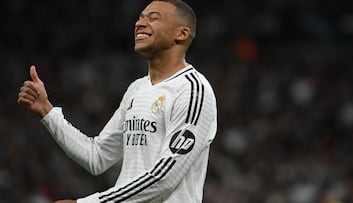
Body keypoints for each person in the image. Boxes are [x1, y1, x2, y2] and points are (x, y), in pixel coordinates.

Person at [17, 0, 217, 202]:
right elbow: (97, 157)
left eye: (153, 17)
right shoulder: (136, 89)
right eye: (140, 17)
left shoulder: (192, 89)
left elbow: (164, 178)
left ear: (181, 34)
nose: (139, 23)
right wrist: (47, 112)